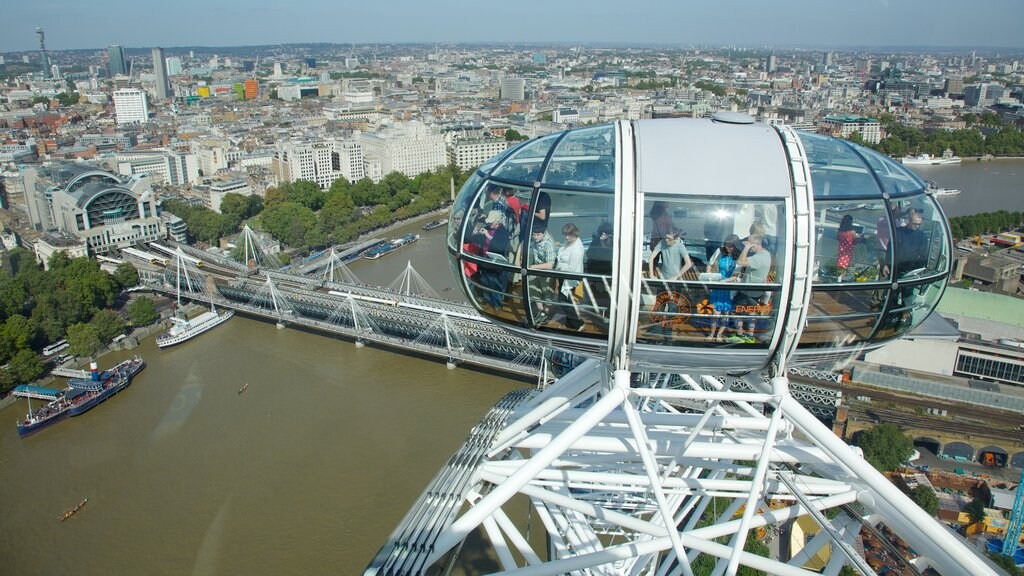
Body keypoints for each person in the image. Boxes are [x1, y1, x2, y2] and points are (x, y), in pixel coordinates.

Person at [730, 223, 771, 344]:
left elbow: (740, 261)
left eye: (751, 245)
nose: (749, 248)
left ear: (757, 244)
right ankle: (749, 335)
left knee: (737, 311)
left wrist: (746, 248)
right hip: (755, 290)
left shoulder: (759, 258)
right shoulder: (766, 254)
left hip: (749, 290)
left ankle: (741, 333)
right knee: (751, 312)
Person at [550, 223, 585, 331]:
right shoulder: (569, 242)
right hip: (563, 276)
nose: (566, 237)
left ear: (575, 233)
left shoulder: (577, 249)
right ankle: (570, 322)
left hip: (569, 279)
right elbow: (563, 254)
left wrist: (558, 266)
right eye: (565, 234)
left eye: (569, 235)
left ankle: (578, 324)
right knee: (567, 301)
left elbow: (572, 268)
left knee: (563, 300)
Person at [707, 234, 740, 342]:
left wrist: (725, 281)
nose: (728, 248)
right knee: (715, 313)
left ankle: (719, 334)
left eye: (730, 246)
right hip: (717, 285)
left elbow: (735, 275)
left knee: (725, 313)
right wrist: (709, 277)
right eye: (726, 245)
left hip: (729, 287)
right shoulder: (719, 251)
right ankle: (712, 333)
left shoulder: (738, 257)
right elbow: (710, 264)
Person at [477, 210, 513, 309]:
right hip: (484, 261)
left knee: (495, 285)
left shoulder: (503, 232)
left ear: (498, 222)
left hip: (495, 265)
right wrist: (477, 233)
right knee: (485, 282)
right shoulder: (487, 228)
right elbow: (478, 241)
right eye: (488, 222)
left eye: (491, 222)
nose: (489, 224)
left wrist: (488, 236)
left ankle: (497, 304)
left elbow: (499, 246)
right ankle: (488, 299)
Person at [524, 220, 556, 324]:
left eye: (538, 235)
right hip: (536, 269)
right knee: (533, 289)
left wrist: (532, 267)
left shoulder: (549, 244)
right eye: (533, 235)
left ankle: (545, 314)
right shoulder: (534, 241)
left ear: (543, 233)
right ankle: (541, 312)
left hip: (546, 273)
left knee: (547, 293)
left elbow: (550, 265)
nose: (535, 237)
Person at [584, 222, 615, 327]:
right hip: (600, 272)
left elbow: (610, 255)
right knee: (603, 294)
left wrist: (602, 243)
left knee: (606, 295)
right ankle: (602, 314)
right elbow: (589, 254)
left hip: (607, 272)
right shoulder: (598, 240)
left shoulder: (611, 241)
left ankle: (606, 314)